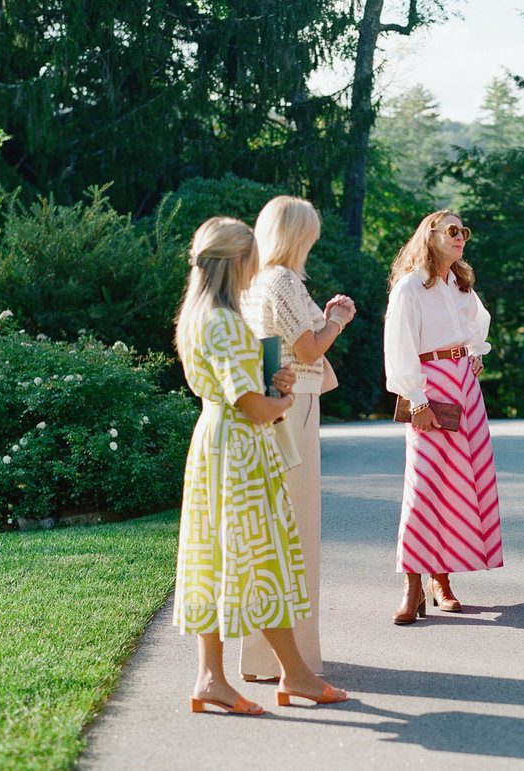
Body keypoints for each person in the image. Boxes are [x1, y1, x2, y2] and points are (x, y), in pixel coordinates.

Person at [174, 217, 347, 714]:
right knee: (260, 559)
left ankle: (213, 677)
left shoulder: (197, 315)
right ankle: (296, 676)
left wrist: (274, 381)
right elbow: (251, 406)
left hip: (213, 441)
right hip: (239, 450)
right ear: (238, 262)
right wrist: (280, 402)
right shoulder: (225, 322)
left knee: (218, 557)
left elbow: (230, 387)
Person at [238, 196, 356, 680]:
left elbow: (271, 346)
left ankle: (263, 655)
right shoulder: (283, 280)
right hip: (295, 402)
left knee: (274, 528)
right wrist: (338, 321)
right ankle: (296, 659)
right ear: (298, 235)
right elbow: (307, 347)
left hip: (271, 399)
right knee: (296, 528)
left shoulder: (253, 281)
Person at [383, 210, 503, 625]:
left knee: (456, 483)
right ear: (429, 235)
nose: (461, 237)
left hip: (463, 387)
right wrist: (416, 400)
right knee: (424, 484)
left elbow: (477, 323)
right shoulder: (410, 287)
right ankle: (411, 585)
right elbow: (398, 346)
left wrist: (473, 353)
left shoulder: (459, 282)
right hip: (430, 387)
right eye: (452, 231)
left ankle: (442, 580)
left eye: (464, 232)